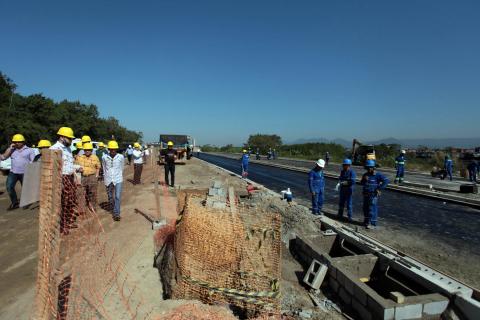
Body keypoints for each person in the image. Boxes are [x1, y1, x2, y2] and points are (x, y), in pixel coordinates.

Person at [51, 127, 82, 234]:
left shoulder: (68, 149)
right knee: (63, 202)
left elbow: (69, 165)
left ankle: (68, 222)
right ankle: (62, 226)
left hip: (70, 177)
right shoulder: (54, 149)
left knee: (71, 201)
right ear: (62, 137)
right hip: (61, 178)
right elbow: (53, 168)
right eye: (69, 138)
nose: (71, 141)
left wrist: (77, 167)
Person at [0, 134, 35, 210]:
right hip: (13, 172)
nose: (17, 143)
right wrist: (10, 148)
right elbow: (3, 157)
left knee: (25, 189)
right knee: (9, 187)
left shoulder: (29, 150)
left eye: (19, 142)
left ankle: (26, 202)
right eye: (15, 142)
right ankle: (15, 202)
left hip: (25, 173)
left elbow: (33, 162)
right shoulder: (11, 150)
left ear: (23, 142)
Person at [361, 160, 389, 229]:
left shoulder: (377, 175)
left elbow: (386, 181)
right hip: (366, 195)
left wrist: (379, 189)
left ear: (373, 167)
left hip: (373, 195)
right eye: (367, 168)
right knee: (365, 208)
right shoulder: (365, 175)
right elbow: (362, 183)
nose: (368, 169)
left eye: (370, 168)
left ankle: (372, 223)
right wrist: (364, 179)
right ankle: (366, 221)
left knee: (372, 209)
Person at [102, 141, 124, 221]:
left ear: (116, 149)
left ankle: (116, 213)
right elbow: (104, 168)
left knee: (117, 196)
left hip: (118, 179)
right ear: (109, 149)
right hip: (108, 179)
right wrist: (105, 177)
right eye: (111, 149)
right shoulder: (104, 157)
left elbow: (122, 167)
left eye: (114, 149)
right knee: (111, 197)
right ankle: (113, 207)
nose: (113, 151)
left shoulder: (120, 157)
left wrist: (119, 175)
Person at [75, 142, 100, 210]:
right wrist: (78, 170)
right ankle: (81, 208)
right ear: (83, 150)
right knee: (81, 193)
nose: (87, 151)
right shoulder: (79, 158)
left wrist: (96, 176)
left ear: (91, 150)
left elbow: (98, 167)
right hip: (82, 177)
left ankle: (93, 207)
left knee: (93, 193)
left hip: (92, 177)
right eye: (86, 150)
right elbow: (75, 167)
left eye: (89, 150)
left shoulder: (95, 157)